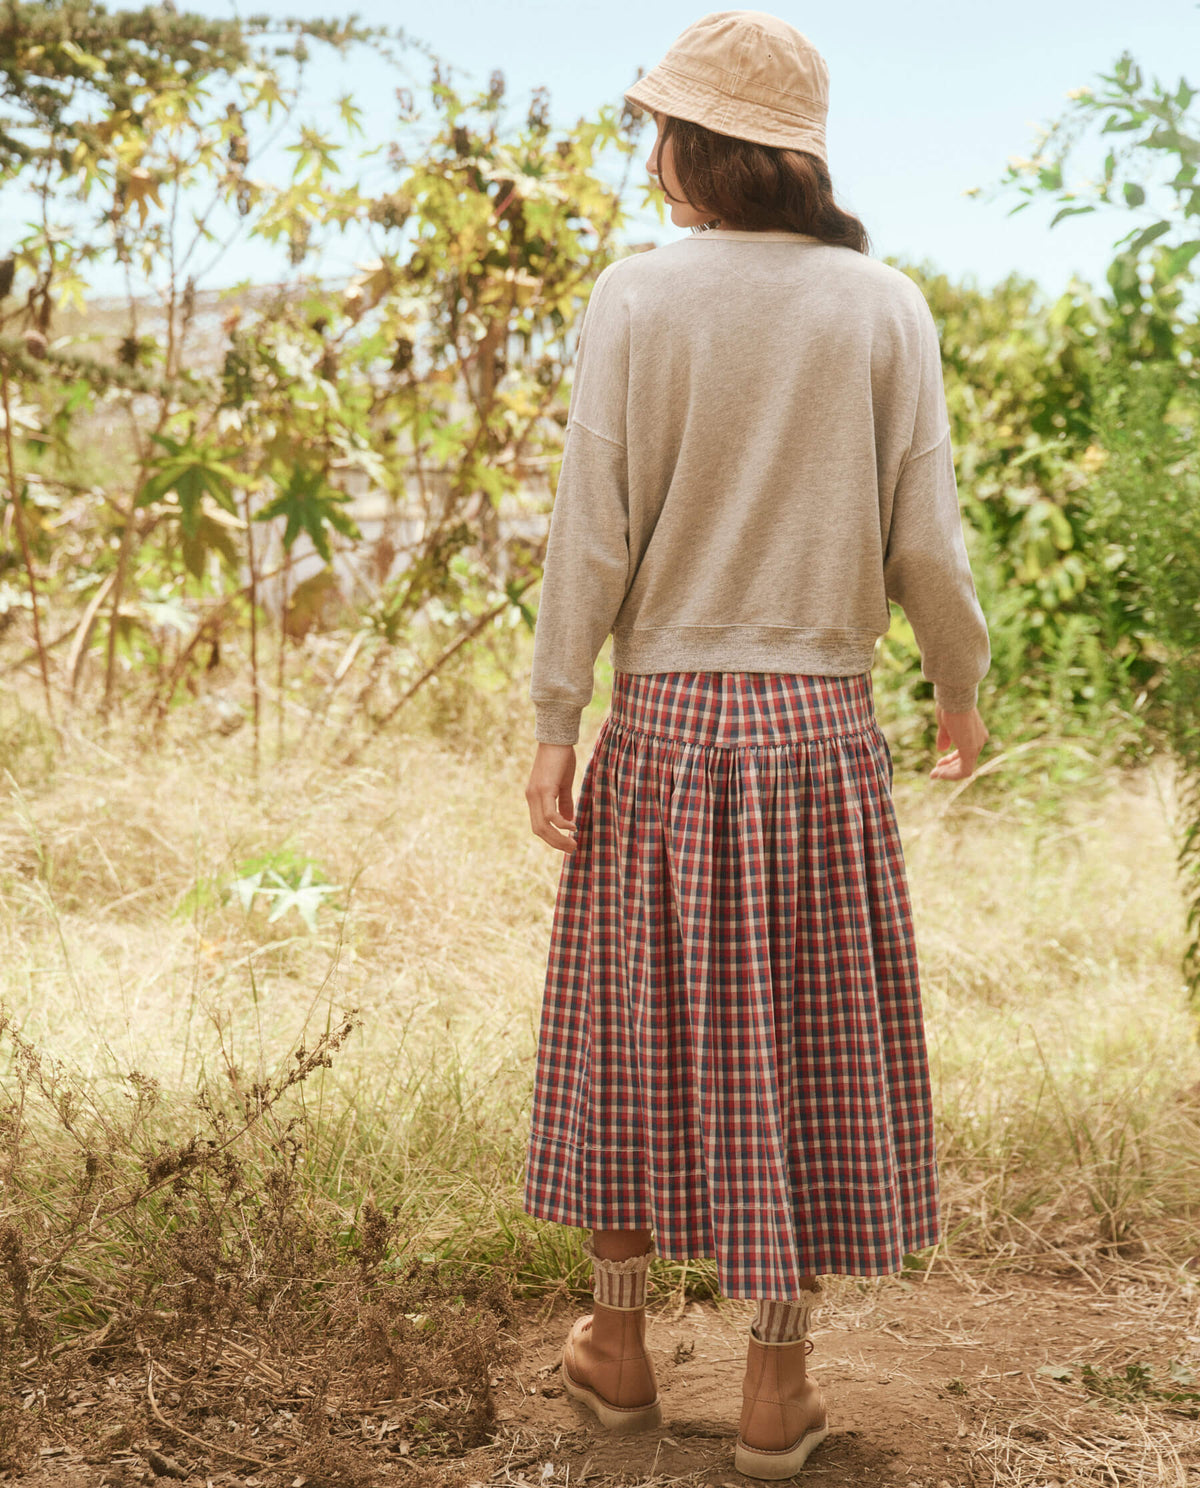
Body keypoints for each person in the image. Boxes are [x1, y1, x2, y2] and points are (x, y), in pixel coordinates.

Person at [522, 10, 990, 1478]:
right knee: (800, 1042)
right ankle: (778, 1385)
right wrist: (959, 689)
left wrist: (555, 715)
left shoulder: (637, 302)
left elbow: (586, 535)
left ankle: (615, 1345)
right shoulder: (883, 305)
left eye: (660, 124)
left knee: (637, 1032)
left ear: (698, 146)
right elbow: (931, 541)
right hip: (820, 735)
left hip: (665, 725)